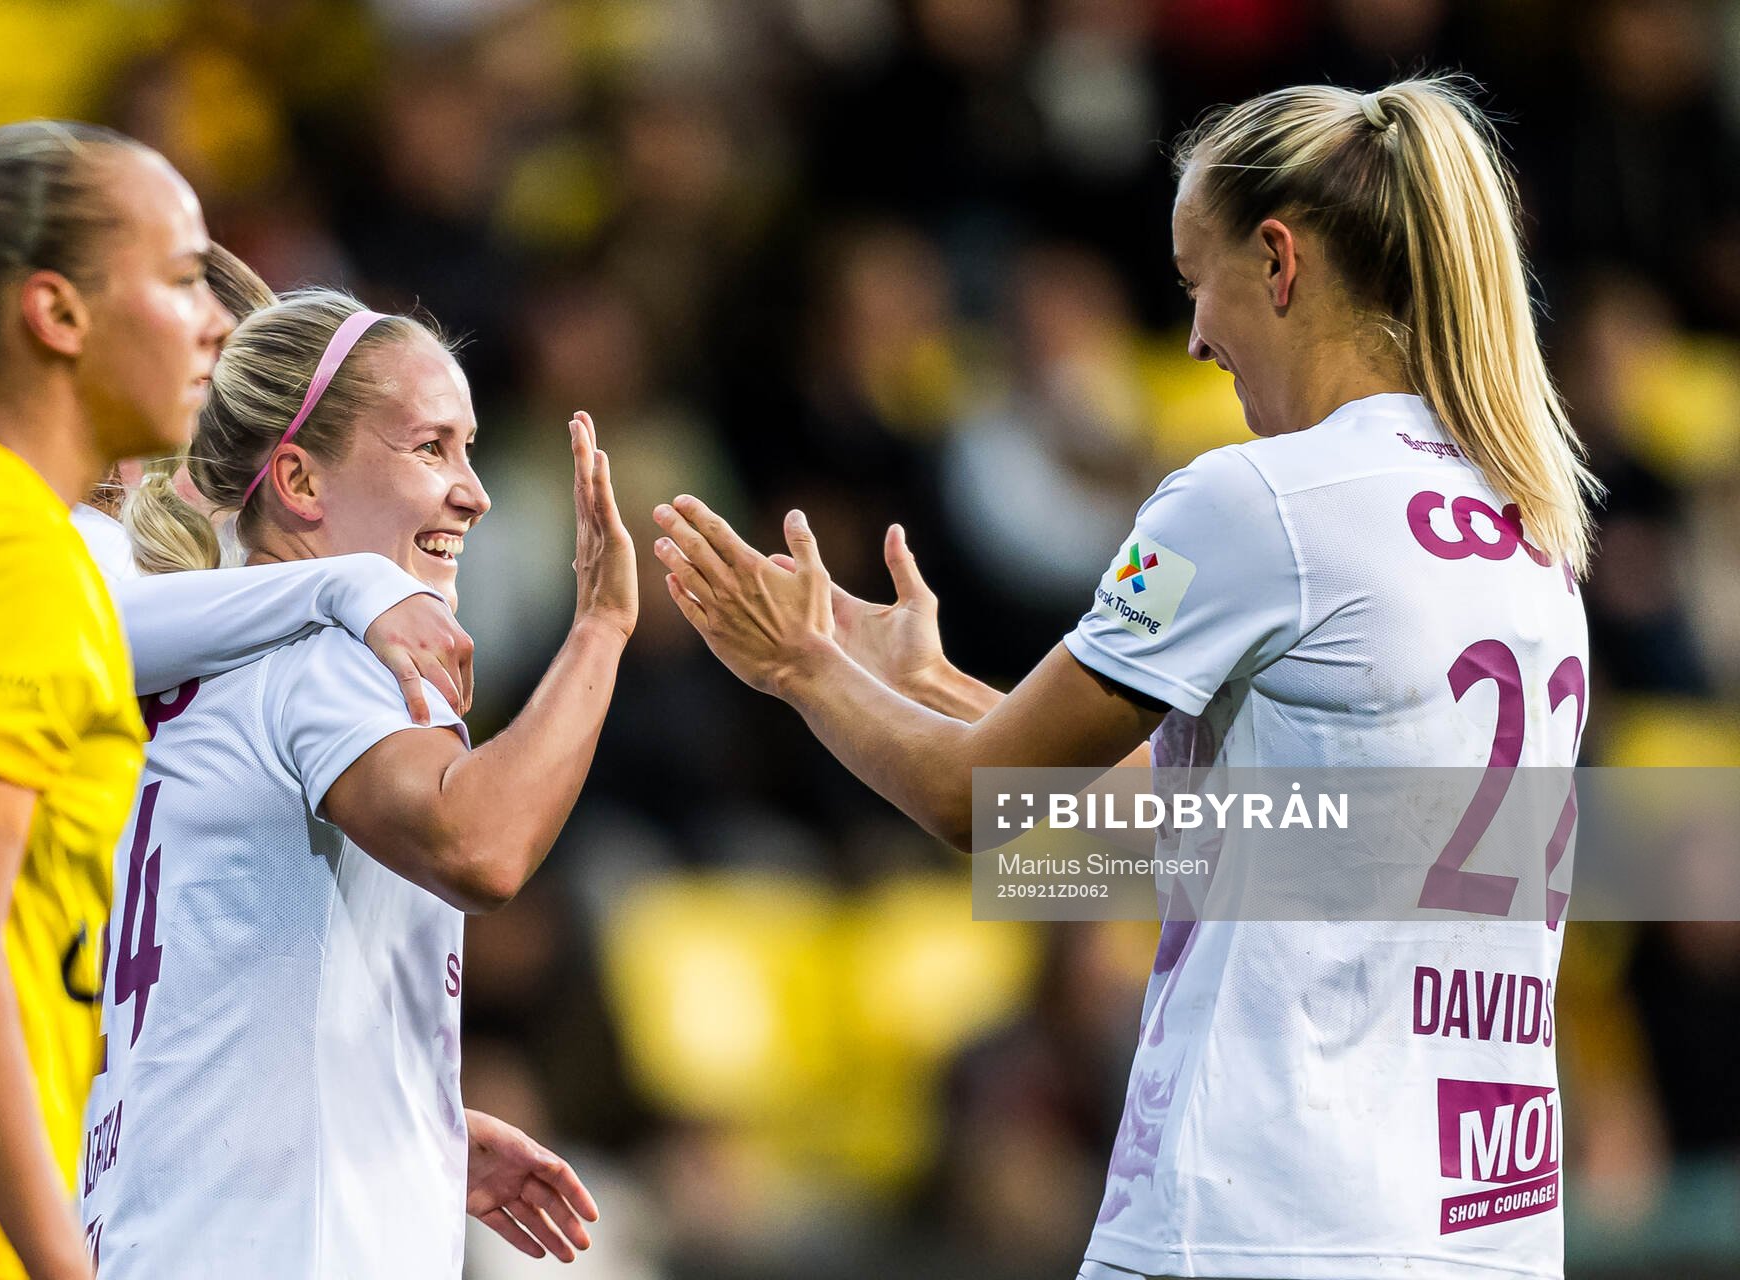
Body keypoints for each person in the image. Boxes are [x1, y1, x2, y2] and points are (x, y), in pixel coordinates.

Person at [651, 76, 1594, 1280]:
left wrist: (802, 664)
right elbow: (1196, 820)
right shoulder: (1527, 532)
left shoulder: (1251, 500)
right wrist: (927, 680)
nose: (1194, 337)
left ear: (1279, 260)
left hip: (1258, 1217)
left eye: (1196, 283)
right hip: (1478, 1225)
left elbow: (974, 806)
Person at [0, 124, 471, 1280]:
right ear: (58, 315)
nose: (220, 326)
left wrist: (432, 1123)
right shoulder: (13, 562)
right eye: (180, 282)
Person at [80, 288, 631, 1276]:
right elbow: (481, 844)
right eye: (431, 447)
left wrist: (402, 1110)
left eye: (470, 447)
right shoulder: (329, 653)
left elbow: (225, 984)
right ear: (296, 477)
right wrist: (600, 629)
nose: (475, 490)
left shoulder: (184, 669)